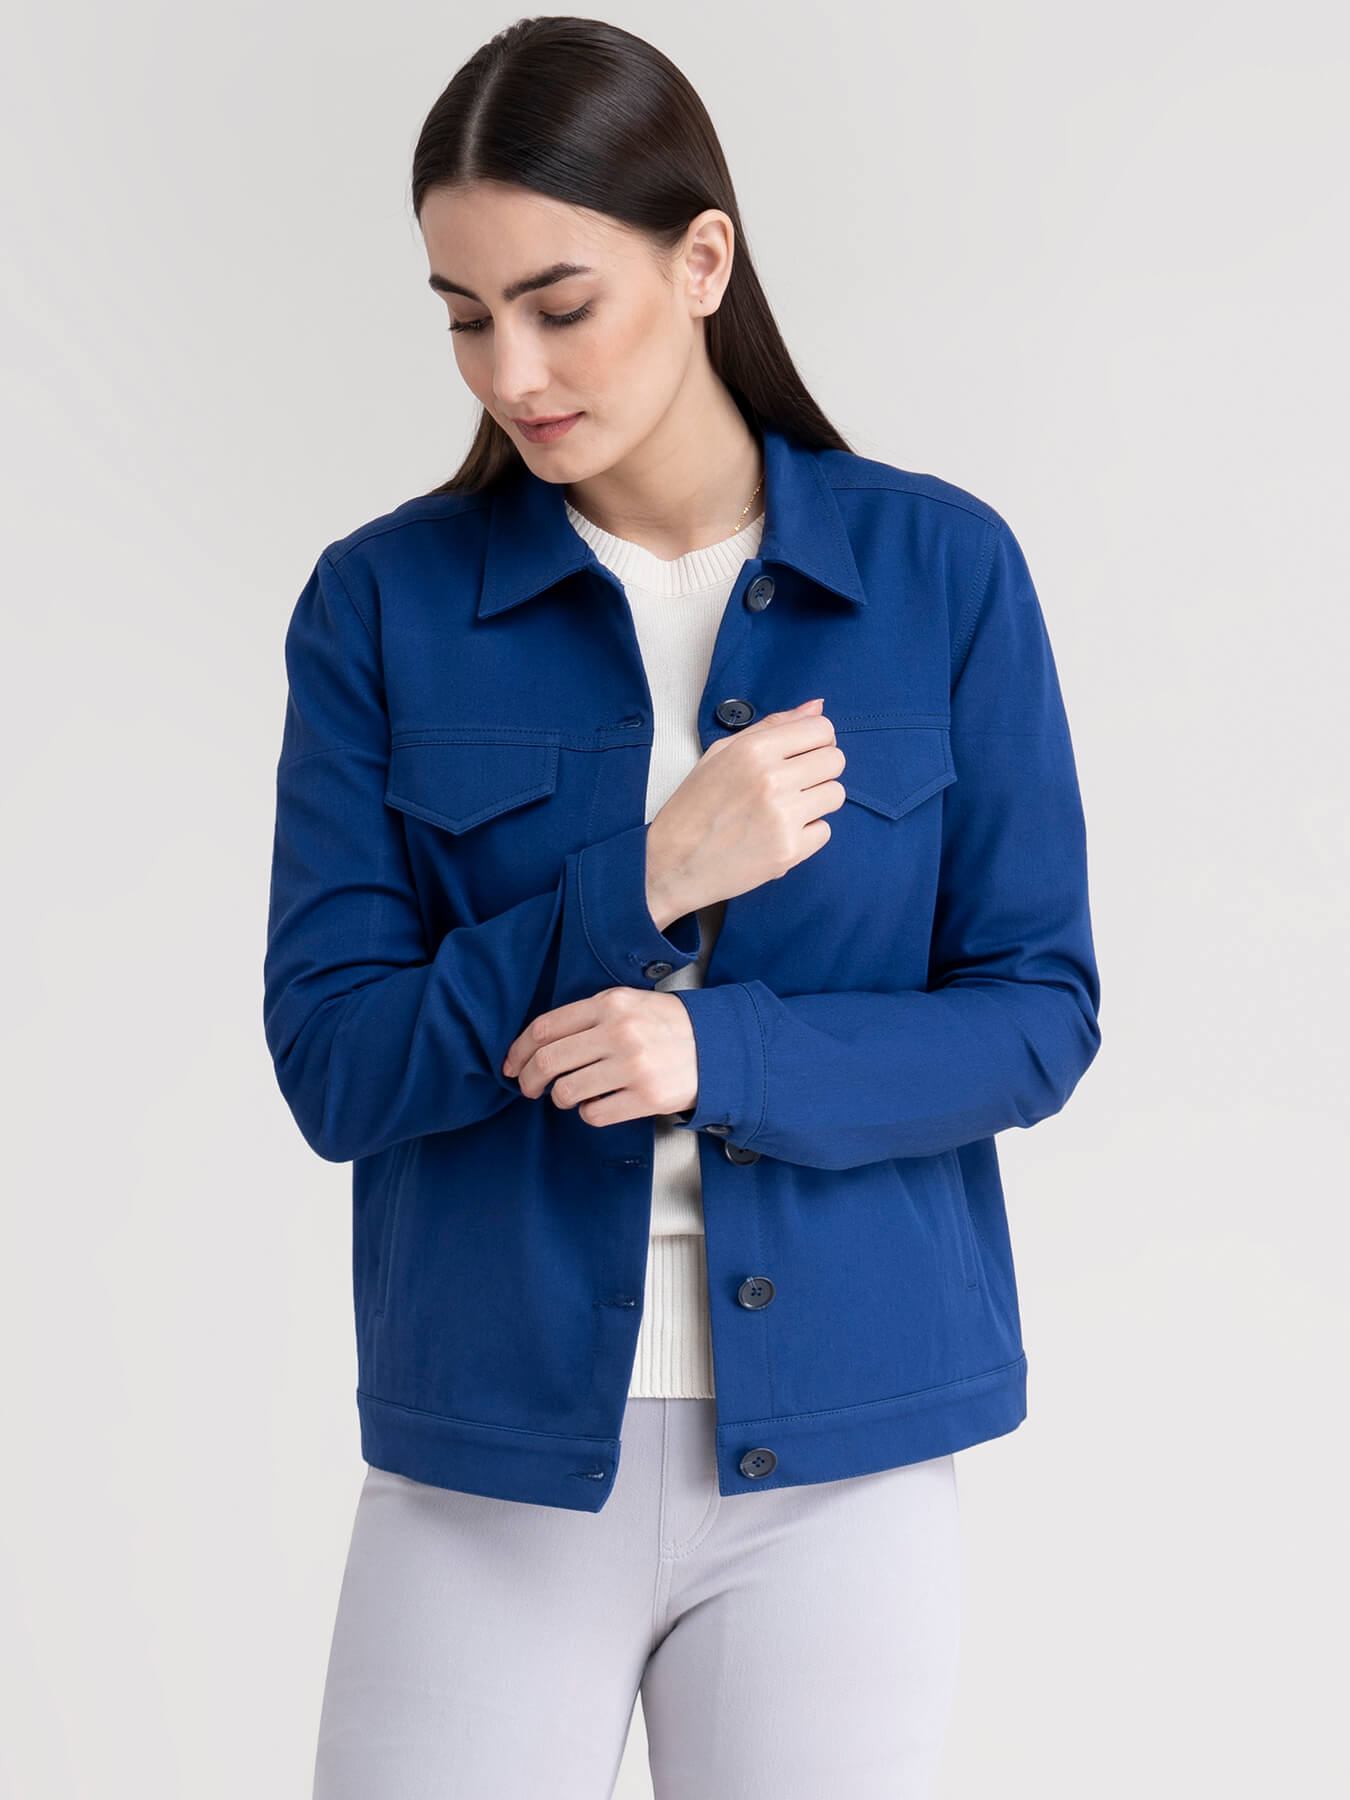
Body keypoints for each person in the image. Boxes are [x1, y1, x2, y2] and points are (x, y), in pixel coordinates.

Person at [262, 17, 1102, 1799]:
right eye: (463, 316)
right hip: (489, 1455)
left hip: (844, 1459)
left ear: (701, 257)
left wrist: (719, 1055)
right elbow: (336, 1062)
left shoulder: (939, 571)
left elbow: (1035, 1014)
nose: (510, 372)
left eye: (558, 305)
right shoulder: (379, 604)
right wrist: (640, 881)